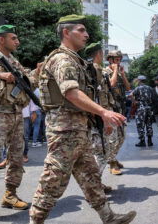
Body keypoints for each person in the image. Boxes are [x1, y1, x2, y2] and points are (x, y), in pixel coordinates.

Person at [29, 15, 136, 224]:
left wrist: (99, 115)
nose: (86, 34)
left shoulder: (75, 60)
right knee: (53, 179)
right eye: (81, 30)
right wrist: (104, 112)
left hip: (78, 129)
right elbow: (71, 93)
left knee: (91, 176)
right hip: (64, 130)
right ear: (66, 33)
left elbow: (87, 96)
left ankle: (109, 217)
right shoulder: (62, 59)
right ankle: (35, 221)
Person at [0, 24, 40, 210]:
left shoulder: (14, 61)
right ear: (1, 39)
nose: (18, 41)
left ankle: (10, 195)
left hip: (16, 114)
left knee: (16, 158)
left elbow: (28, 80)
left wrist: (38, 71)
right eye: (13, 38)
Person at [84, 41, 116, 193]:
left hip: (91, 119)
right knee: (102, 154)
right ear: (99, 54)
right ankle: (93, 187)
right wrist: (105, 120)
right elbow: (97, 98)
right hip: (96, 120)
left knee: (97, 153)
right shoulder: (96, 72)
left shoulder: (87, 70)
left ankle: (96, 184)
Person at [103, 49, 131, 175]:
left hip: (120, 108)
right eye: (116, 59)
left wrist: (123, 74)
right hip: (110, 108)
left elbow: (128, 87)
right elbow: (112, 85)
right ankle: (112, 163)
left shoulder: (119, 72)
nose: (119, 61)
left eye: (120, 59)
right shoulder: (105, 72)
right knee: (113, 138)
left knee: (122, 137)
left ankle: (113, 158)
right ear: (110, 60)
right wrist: (114, 70)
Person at [132, 75, 154, 147]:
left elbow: (131, 95)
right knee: (149, 124)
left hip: (141, 109)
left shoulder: (137, 88)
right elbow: (153, 97)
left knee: (140, 125)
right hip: (149, 108)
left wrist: (134, 101)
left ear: (139, 80)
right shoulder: (150, 88)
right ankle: (150, 141)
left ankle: (142, 141)